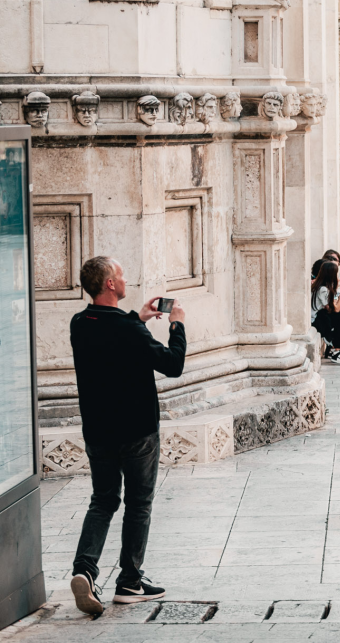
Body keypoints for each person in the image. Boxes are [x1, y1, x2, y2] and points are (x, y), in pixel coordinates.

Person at [68, 257, 187, 615]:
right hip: (136, 431)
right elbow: (173, 364)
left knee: (103, 500)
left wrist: (137, 317)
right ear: (108, 284)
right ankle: (130, 582)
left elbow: (112, 334)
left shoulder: (80, 323)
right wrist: (177, 326)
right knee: (138, 503)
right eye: (119, 275)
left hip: (98, 430)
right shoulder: (128, 331)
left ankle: (84, 571)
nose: (124, 279)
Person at [311, 259, 340, 365]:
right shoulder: (322, 289)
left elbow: (333, 306)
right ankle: (337, 351)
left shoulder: (324, 288)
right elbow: (334, 309)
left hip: (322, 317)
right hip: (317, 320)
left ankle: (336, 349)